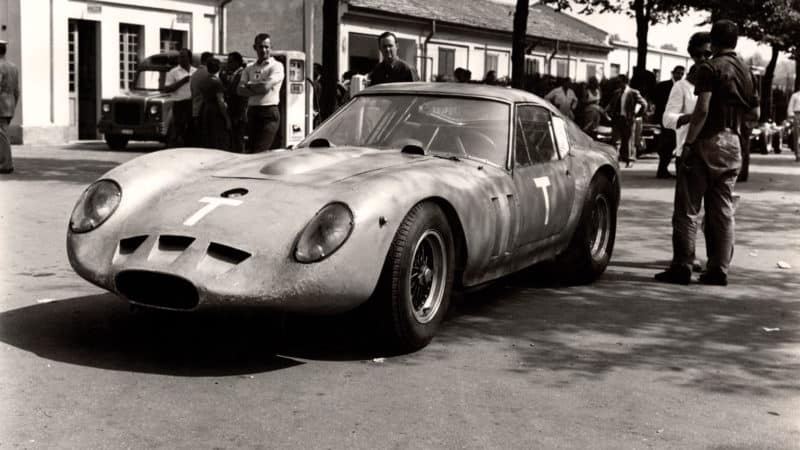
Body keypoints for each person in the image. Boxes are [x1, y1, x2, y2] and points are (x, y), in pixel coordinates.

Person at [655, 20, 758, 286]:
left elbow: (702, 110)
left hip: (706, 141)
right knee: (722, 210)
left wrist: (689, 144)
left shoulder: (711, 68)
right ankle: (719, 269)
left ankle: (683, 266)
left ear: (713, 42)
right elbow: (754, 113)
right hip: (733, 142)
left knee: (687, 209)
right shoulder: (747, 71)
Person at [661, 32, 712, 274]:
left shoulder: (717, 81)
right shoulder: (682, 86)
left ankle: (714, 260)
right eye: (700, 53)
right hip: (688, 152)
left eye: (709, 54)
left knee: (711, 211)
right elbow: (666, 119)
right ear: (692, 55)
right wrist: (692, 117)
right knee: (686, 211)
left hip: (713, 154)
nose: (704, 58)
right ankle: (686, 257)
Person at [237, 33, 285, 152]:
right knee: (249, 150)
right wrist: (259, 86)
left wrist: (249, 85)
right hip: (253, 112)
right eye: (260, 47)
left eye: (266, 47)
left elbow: (265, 87)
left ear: (271, 48)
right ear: (255, 48)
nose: (263, 50)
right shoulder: (249, 68)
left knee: (260, 150)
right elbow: (239, 90)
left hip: (269, 112)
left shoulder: (276, 66)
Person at [607, 74, 648, 167]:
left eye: (619, 82)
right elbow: (611, 104)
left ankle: (630, 159)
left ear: (625, 82)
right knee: (616, 140)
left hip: (628, 119)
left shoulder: (633, 92)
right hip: (617, 119)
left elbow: (644, 104)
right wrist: (609, 114)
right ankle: (616, 158)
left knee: (629, 140)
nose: (618, 84)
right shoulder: (616, 92)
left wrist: (637, 114)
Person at [653, 65, 686, 178]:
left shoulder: (683, 87)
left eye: (682, 74)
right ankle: (662, 170)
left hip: (678, 119)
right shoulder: (663, 86)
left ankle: (665, 170)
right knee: (667, 145)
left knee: (675, 145)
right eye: (678, 73)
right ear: (673, 73)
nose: (680, 76)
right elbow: (657, 103)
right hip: (666, 120)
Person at [163, 48, 196, 147]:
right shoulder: (173, 72)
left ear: (189, 58)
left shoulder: (195, 71)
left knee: (191, 130)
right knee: (178, 131)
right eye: (179, 57)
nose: (180, 59)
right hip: (179, 105)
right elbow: (167, 89)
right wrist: (183, 81)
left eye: (183, 57)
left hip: (192, 104)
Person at [197, 58, 231, 150]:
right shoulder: (217, 82)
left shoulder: (203, 81)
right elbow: (221, 101)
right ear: (219, 68)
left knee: (208, 139)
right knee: (218, 140)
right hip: (216, 113)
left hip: (206, 110)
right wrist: (227, 119)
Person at [0, 39, 20, 174]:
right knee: (2, 134)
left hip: (0, 105)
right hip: (9, 105)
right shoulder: (13, 67)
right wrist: (14, 103)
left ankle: (6, 164)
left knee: (2, 135)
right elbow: (16, 90)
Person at [223, 51, 247, 153]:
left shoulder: (241, 74)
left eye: (230, 62)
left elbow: (236, 93)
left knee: (238, 140)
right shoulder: (234, 74)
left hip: (238, 112)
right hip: (234, 112)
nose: (228, 64)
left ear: (237, 62)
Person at [190, 51, 213, 145]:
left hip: (195, 109)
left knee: (199, 139)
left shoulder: (194, 74)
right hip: (205, 111)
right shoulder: (208, 73)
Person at [786, 87, 800, 162]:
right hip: (797, 115)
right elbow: (790, 107)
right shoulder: (795, 96)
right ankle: (797, 154)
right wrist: (791, 116)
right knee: (796, 136)